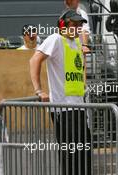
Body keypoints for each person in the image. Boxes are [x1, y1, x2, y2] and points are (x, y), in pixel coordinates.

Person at [29, 9, 91, 175]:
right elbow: (35, 60)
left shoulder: (76, 43)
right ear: (63, 25)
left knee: (84, 154)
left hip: (78, 108)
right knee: (70, 156)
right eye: (74, 24)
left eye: (79, 25)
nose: (77, 28)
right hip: (63, 110)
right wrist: (38, 90)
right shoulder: (55, 39)